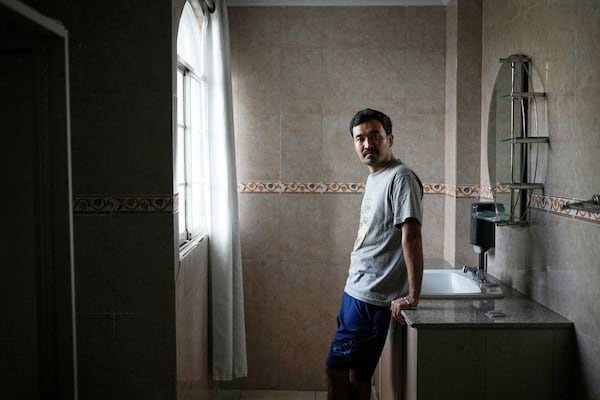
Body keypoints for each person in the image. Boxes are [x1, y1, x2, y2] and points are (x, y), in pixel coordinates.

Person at [325, 108, 424, 400]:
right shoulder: (376, 176)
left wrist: (413, 295)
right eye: (360, 138)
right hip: (358, 288)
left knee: (337, 369)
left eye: (374, 136)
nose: (367, 144)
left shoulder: (401, 177)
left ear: (389, 139)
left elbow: (412, 236)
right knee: (358, 375)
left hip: (370, 296)